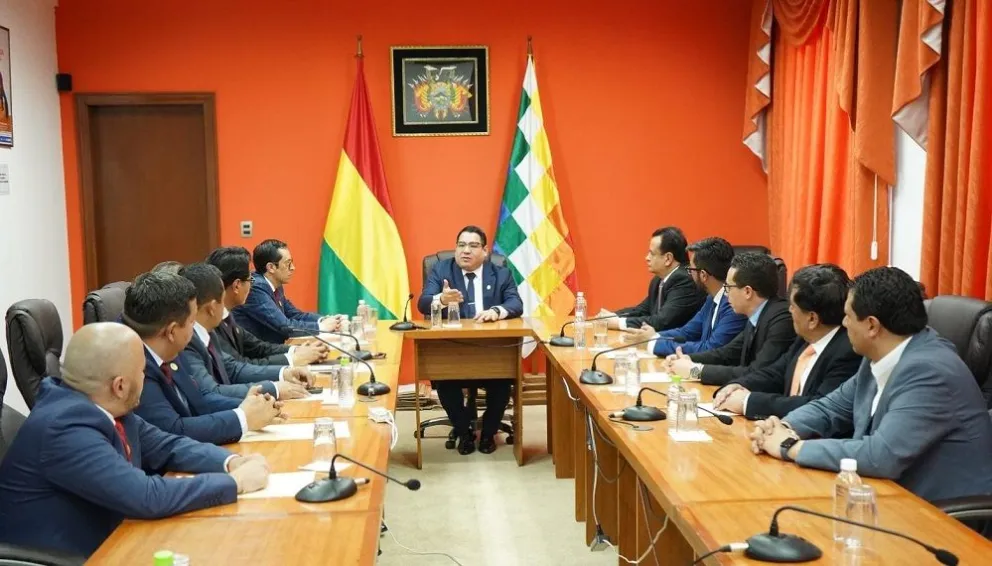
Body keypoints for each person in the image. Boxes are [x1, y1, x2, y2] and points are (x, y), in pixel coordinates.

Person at [0, 323, 270, 557]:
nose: (146, 376)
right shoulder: (65, 428)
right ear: (119, 386)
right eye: (142, 371)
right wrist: (236, 483)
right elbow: (146, 496)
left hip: (117, 538)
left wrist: (231, 461)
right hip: (76, 556)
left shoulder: (103, 405)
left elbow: (168, 445)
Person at [748, 267, 992, 502]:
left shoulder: (929, 372)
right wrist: (782, 426)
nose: (843, 324)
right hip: (885, 496)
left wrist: (790, 446)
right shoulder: (879, 356)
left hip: (941, 517)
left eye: (848, 316)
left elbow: (880, 455)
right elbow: (830, 407)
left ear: (872, 326)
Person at [123, 271, 285, 445]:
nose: (195, 330)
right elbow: (173, 430)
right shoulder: (136, 367)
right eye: (192, 322)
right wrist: (242, 418)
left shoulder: (168, 350)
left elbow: (199, 398)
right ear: (172, 331)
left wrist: (250, 406)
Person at [417, 225, 524, 455]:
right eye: (461, 245)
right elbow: (423, 303)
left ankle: (488, 432)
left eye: (473, 246)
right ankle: (464, 431)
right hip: (451, 351)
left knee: (502, 382)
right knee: (446, 382)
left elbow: (516, 304)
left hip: (491, 351)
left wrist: (497, 310)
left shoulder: (501, 274)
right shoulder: (441, 269)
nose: (465, 251)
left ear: (485, 252)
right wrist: (441, 299)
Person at [713, 264, 862, 418]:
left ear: (812, 319)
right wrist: (738, 385)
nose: (789, 310)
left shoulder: (848, 352)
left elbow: (819, 405)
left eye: (792, 306)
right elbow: (775, 373)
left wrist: (748, 402)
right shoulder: (805, 340)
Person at [178, 263, 312, 400]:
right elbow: (209, 393)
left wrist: (284, 373)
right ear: (212, 308)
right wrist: (274, 389)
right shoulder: (187, 342)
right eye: (222, 300)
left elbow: (233, 369)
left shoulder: (207, 332)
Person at [665, 252, 795, 385]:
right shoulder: (758, 315)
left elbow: (757, 373)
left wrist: (696, 371)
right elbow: (726, 354)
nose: (726, 295)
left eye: (728, 288)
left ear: (747, 292)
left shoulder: (781, 320)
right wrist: (687, 359)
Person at [206, 246, 326, 366]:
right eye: (250, 279)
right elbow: (240, 367)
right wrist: (293, 359)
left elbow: (259, 347)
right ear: (237, 285)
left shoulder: (226, 316)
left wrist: (296, 350)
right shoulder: (212, 325)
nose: (251, 285)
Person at [630, 237, 746, 357]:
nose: (689, 275)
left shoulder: (733, 305)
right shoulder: (712, 298)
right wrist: (655, 336)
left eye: (691, 270)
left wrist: (653, 344)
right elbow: (688, 332)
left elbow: (709, 349)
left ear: (703, 275)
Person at [233, 239, 347, 344]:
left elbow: (295, 314)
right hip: (257, 357)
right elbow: (285, 326)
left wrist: (324, 320)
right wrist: (322, 327)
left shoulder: (275, 285)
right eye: (288, 263)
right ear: (271, 267)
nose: (293, 267)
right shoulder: (256, 288)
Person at [597, 226, 705, 332]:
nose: (647, 258)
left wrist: (618, 323)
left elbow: (662, 321)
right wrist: (612, 316)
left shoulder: (684, 280)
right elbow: (642, 310)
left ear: (668, 258)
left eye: (652, 253)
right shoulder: (659, 280)